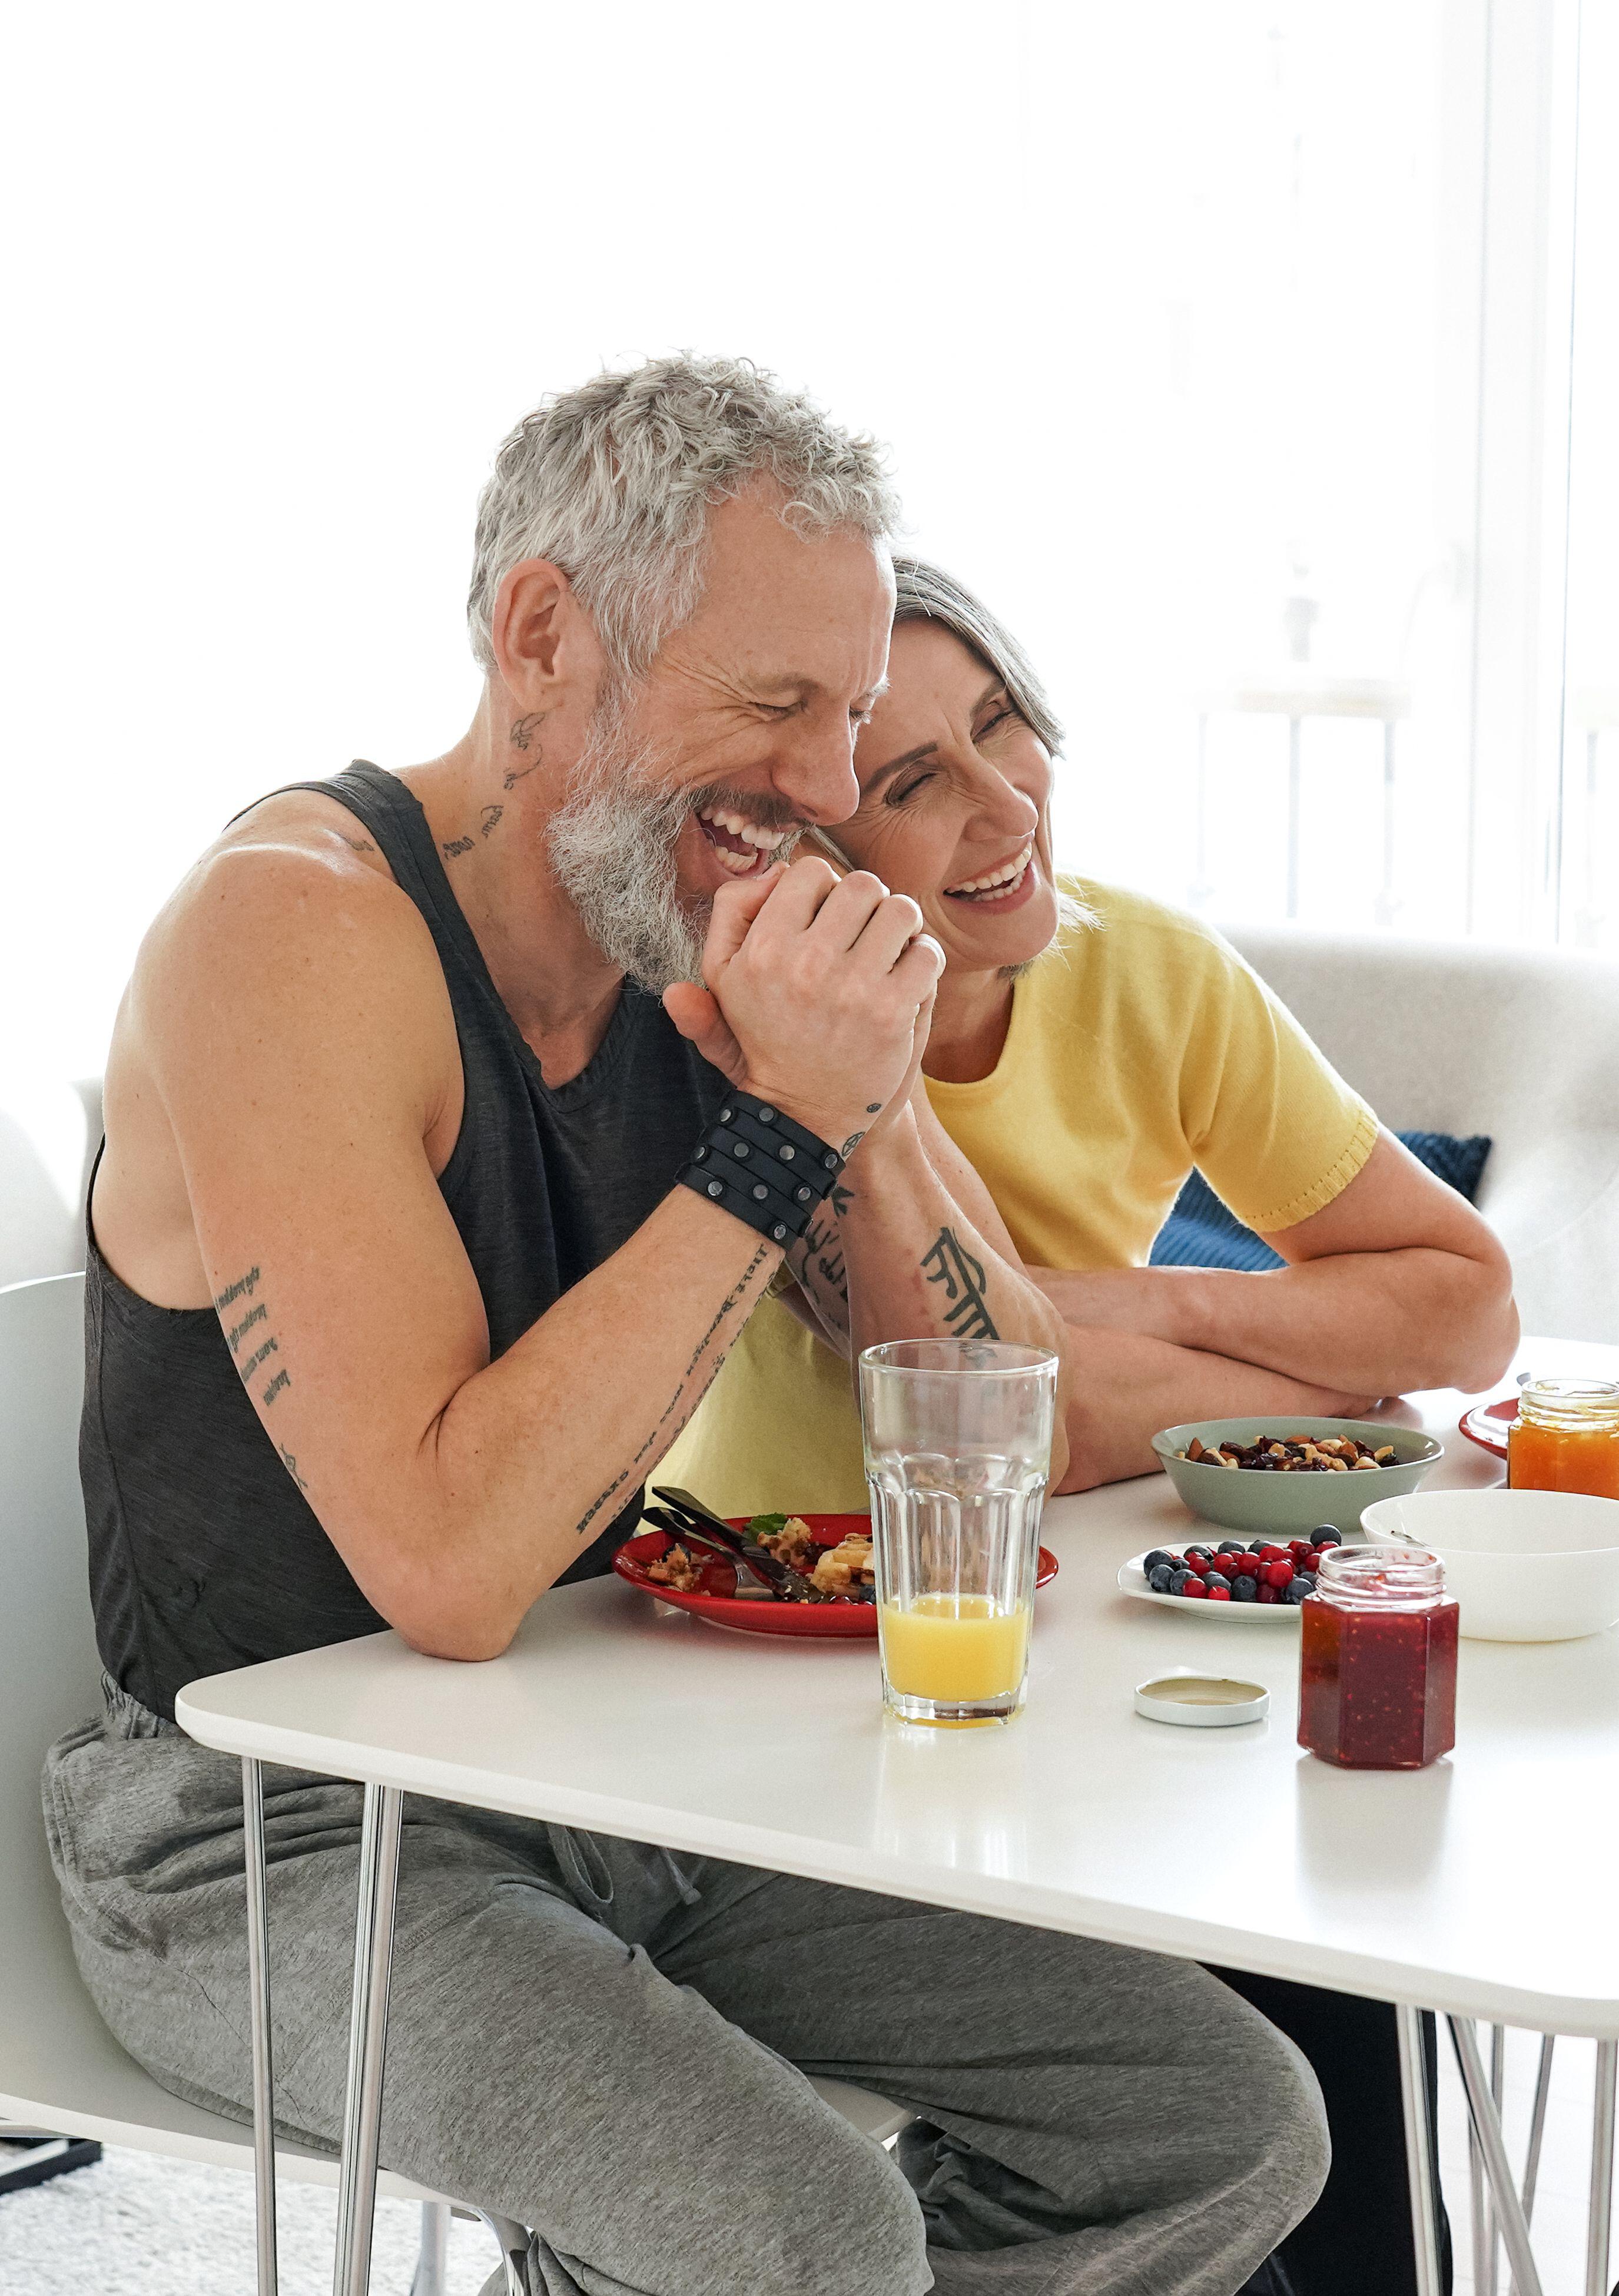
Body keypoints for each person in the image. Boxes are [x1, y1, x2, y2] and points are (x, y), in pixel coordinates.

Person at [45, 359, 1327, 2296]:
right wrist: (780, 1127)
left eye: (849, 713)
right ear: (541, 635)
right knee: (805, 2237)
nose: (826, 790)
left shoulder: (683, 925)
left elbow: (1005, 1417)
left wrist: (866, 1099)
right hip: (263, 1836)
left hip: (601, 1764)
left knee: (1215, 2120)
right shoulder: (288, 931)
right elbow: (456, 1564)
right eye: (776, 707)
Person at [663, 555, 1517, 2296]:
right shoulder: (787, 1038)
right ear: (816, 850)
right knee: (1250, 2042)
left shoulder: (1147, 972)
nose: (1003, 805)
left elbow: (1463, 1299)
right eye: (913, 782)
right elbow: (1010, 1414)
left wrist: (1160, 1306)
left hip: (1039, 1663)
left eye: (1001, 727)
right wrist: (1275, 1383)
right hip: (759, 1701)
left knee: (1343, 1929)